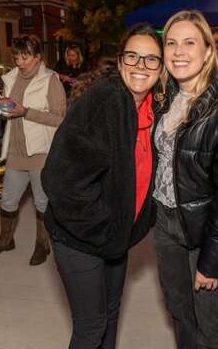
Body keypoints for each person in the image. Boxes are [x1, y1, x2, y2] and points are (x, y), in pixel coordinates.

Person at [41, 24, 161, 348]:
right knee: (91, 328)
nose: (140, 65)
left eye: (151, 59)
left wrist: (134, 225)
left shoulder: (152, 109)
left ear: (161, 69)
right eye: (133, 56)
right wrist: (103, 229)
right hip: (79, 237)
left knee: (110, 315)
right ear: (121, 62)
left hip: (115, 237)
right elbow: (57, 179)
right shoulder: (104, 101)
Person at [154, 10, 218, 348]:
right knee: (181, 313)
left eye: (189, 42)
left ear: (208, 53)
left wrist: (212, 263)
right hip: (165, 225)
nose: (178, 51)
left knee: (214, 325)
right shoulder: (164, 102)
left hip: (207, 232)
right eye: (171, 42)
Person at [0, 35, 66, 266]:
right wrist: (4, 111)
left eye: (25, 56)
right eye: (16, 56)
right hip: (16, 150)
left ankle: (42, 244)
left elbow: (60, 119)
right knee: (8, 200)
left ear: (38, 57)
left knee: (42, 202)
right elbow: (11, 110)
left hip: (40, 152)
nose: (20, 61)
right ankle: (5, 240)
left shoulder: (51, 80)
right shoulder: (10, 79)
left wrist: (26, 112)